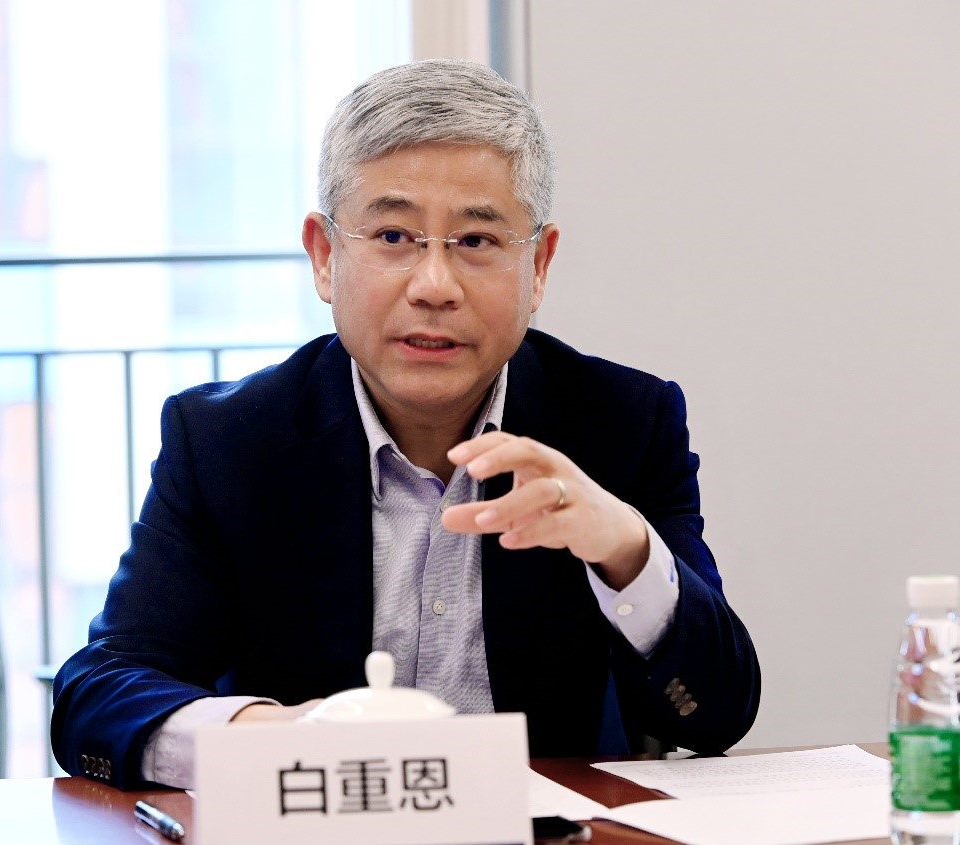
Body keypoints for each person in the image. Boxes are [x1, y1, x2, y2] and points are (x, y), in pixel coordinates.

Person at [50, 58, 760, 790]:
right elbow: (99, 691)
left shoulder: (620, 425)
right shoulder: (229, 443)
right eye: (392, 236)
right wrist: (277, 739)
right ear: (325, 256)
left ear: (539, 266)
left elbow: (717, 715)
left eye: (476, 242)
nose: (434, 286)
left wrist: (626, 551)